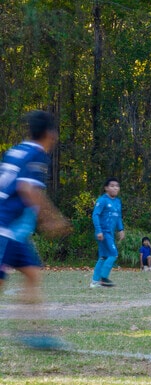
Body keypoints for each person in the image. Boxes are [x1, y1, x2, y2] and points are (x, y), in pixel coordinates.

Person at [0, 110, 72, 350]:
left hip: (12, 230)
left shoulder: (16, 150)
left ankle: (33, 333)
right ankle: (33, 332)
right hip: (5, 228)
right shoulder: (37, 154)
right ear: (50, 134)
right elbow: (28, 189)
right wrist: (51, 219)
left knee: (32, 273)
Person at [90, 177, 125, 288]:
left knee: (103, 257)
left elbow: (118, 216)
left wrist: (120, 229)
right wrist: (98, 231)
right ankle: (103, 279)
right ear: (106, 188)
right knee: (113, 254)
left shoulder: (118, 202)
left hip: (110, 233)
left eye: (117, 186)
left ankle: (95, 282)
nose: (115, 188)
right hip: (103, 232)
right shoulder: (102, 200)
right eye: (112, 186)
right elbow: (95, 215)